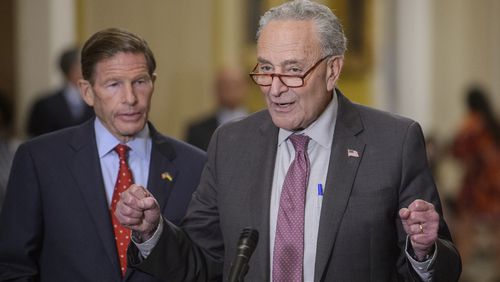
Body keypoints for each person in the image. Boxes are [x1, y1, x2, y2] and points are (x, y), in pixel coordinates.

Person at [116, 1, 461, 281]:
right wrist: (153, 232)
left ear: (332, 70)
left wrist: (423, 252)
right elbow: (201, 262)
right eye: (266, 68)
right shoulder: (231, 143)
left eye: (293, 70)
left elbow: (440, 268)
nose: (275, 88)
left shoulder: (394, 142)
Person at [0, 28, 206, 282]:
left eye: (140, 82)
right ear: (87, 91)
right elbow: (14, 267)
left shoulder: (195, 165)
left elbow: (204, 265)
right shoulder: (39, 160)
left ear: (153, 83)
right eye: (114, 84)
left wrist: (154, 234)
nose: (130, 98)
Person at [451, 86, 500, 277]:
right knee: (497, 230)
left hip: (476, 186)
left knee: (465, 228)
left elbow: (457, 151)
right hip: (495, 183)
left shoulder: (470, 125)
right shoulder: (492, 124)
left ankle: (460, 272)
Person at [27, 46, 94, 137]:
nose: (92, 68)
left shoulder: (99, 100)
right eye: (85, 64)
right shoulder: (44, 105)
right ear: (72, 69)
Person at [185, 67, 249, 151]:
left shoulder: (263, 124)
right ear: (216, 89)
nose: (230, 89)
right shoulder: (197, 130)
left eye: (235, 84)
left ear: (246, 87)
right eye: (225, 85)